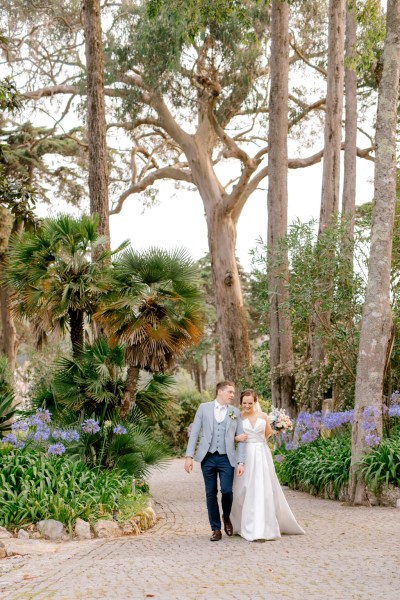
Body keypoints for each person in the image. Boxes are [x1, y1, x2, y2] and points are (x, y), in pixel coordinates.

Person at [230, 389, 305, 541]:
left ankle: (264, 527)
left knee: (262, 488)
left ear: (255, 402)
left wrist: (260, 441)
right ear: (241, 403)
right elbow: (231, 436)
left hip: (261, 454)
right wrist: (237, 439)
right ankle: (242, 524)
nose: (247, 406)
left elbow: (267, 433)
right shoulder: (237, 417)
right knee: (243, 489)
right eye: (244, 403)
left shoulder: (263, 416)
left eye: (250, 403)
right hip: (245, 455)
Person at [184, 381, 246, 542]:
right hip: (208, 457)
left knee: (226, 491)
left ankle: (226, 515)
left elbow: (241, 439)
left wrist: (241, 462)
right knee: (210, 493)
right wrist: (189, 457)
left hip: (227, 458)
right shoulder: (203, 408)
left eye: (233, 392)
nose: (233, 395)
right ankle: (216, 528)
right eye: (230, 392)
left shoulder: (235, 412)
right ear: (220, 391)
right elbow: (195, 432)